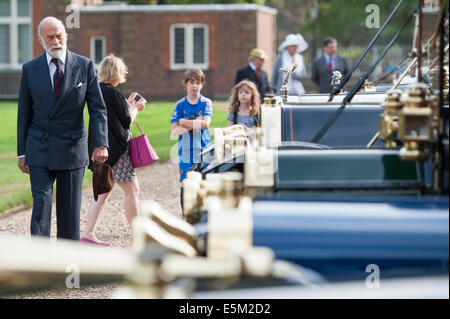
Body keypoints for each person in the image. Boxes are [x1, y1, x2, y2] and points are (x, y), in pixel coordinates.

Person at [16, 17, 108, 240]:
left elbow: (97, 109)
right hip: (39, 148)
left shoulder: (84, 66)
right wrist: (22, 152)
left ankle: (68, 266)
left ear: (65, 36)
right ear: (40, 40)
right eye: (50, 37)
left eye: (59, 35)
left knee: (69, 214)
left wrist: (101, 143)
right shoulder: (30, 69)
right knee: (41, 207)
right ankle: (41, 263)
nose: (56, 41)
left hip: (71, 149)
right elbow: (24, 113)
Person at [82, 54, 146, 246]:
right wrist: (136, 108)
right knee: (132, 190)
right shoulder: (114, 93)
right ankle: (137, 236)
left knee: (102, 192)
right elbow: (126, 122)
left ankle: (88, 234)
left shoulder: (95, 91)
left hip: (99, 150)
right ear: (118, 73)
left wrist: (126, 105)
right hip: (117, 151)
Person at [171, 68, 213, 205]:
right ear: (185, 84)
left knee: (202, 183)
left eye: (198, 82)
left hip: (203, 149)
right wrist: (196, 122)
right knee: (185, 182)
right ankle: (186, 215)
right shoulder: (180, 105)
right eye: (191, 82)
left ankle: (201, 216)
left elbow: (206, 124)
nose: (195, 86)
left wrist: (183, 122)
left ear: (202, 84)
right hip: (186, 151)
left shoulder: (206, 103)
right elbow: (175, 131)